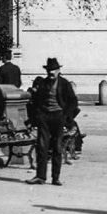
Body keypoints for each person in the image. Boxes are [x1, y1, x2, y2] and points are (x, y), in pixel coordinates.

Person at [26, 57, 79, 186]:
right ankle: (40, 176)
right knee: (42, 147)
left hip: (58, 117)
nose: (51, 72)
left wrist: (66, 117)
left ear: (58, 70)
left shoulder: (64, 84)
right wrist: (38, 116)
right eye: (49, 70)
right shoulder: (43, 83)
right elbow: (36, 101)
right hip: (44, 118)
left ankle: (56, 178)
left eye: (54, 70)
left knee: (57, 147)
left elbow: (73, 101)